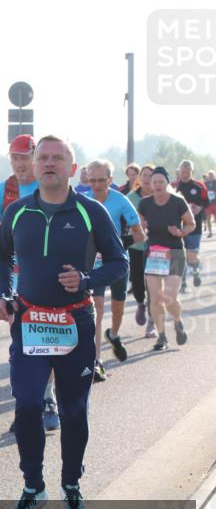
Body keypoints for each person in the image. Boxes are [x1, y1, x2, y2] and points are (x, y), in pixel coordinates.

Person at [0, 135, 127, 509]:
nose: (49, 163)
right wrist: (4, 296)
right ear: (34, 167)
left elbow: (118, 263)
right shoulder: (18, 212)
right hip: (30, 323)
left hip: (76, 323)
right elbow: (1, 257)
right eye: (43, 158)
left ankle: (71, 484)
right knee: (29, 404)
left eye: (58, 158)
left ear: (72, 168)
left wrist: (86, 279)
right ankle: (33, 486)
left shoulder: (91, 212)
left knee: (73, 410)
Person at [0, 135, 59, 431]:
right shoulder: (6, 189)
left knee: (45, 339)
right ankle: (30, 403)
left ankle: (48, 397)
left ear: (36, 158)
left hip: (47, 277)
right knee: (22, 341)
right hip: (15, 277)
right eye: (14, 158)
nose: (19, 164)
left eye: (24, 157)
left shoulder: (51, 186)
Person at [85, 159, 145, 382]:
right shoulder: (84, 201)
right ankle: (96, 361)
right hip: (94, 264)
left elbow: (140, 235)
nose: (97, 184)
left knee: (117, 309)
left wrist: (119, 243)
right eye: (93, 180)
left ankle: (114, 335)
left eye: (102, 180)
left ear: (110, 180)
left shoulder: (121, 201)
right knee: (97, 307)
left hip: (118, 261)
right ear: (87, 179)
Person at [137, 166, 195, 350]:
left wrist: (180, 232)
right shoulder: (145, 204)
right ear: (150, 185)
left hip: (176, 253)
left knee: (169, 297)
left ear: (167, 183)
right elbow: (138, 227)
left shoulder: (177, 202)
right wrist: (142, 226)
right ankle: (161, 337)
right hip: (154, 254)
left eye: (161, 181)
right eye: (155, 182)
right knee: (155, 298)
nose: (158, 185)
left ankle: (177, 321)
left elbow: (191, 223)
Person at [127, 165, 157, 337]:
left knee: (152, 285)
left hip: (156, 247)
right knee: (138, 283)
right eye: (144, 175)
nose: (146, 178)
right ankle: (140, 303)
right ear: (140, 178)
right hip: (136, 246)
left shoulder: (160, 196)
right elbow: (124, 219)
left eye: (150, 175)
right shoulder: (131, 197)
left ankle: (151, 323)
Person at [173, 160, 208, 291]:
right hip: (178, 227)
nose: (185, 174)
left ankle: (195, 269)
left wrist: (199, 208)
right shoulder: (174, 186)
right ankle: (183, 284)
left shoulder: (199, 186)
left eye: (187, 172)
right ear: (179, 171)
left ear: (191, 172)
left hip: (194, 226)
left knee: (191, 256)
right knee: (180, 255)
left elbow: (206, 201)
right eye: (183, 172)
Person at [205, 170, 215, 237]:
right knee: (208, 218)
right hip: (208, 204)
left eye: (212, 175)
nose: (211, 177)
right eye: (209, 175)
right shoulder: (205, 184)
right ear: (208, 176)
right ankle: (210, 232)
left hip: (215, 203)